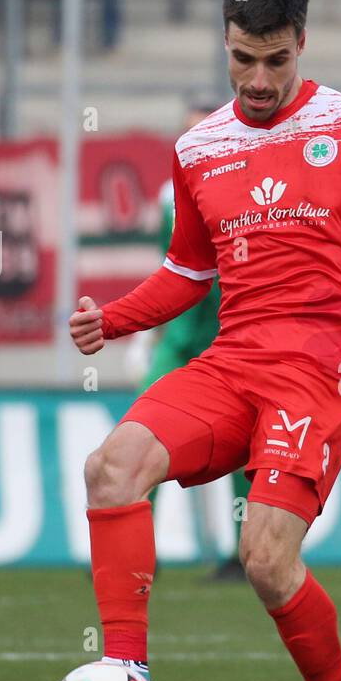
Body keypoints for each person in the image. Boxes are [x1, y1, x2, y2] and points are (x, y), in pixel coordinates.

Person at [16, 0, 341, 681]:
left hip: (320, 374)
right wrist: (110, 320)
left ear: (302, 45)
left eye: (275, 61)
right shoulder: (199, 148)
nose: (257, 80)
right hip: (232, 360)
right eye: (242, 60)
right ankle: (124, 680)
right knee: (112, 468)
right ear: (225, 43)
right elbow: (187, 272)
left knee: (263, 557)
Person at [127, 102, 249, 582]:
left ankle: (244, 553)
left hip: (232, 337)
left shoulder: (248, 188)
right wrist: (147, 338)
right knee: (141, 431)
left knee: (246, 451)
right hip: (179, 339)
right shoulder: (167, 196)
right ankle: (138, 553)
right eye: (185, 135)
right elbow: (171, 269)